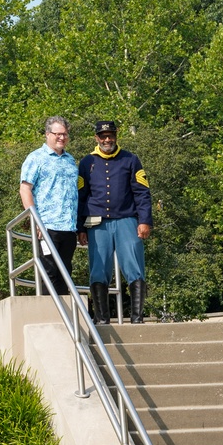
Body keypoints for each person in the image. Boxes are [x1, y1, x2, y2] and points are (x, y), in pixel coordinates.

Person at [76, 121, 152, 324]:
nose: (107, 139)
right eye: (103, 136)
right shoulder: (86, 162)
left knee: (134, 266)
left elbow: (142, 193)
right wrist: (80, 227)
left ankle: (137, 317)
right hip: (97, 223)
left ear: (116, 136)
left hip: (126, 219)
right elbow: (80, 197)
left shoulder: (131, 159)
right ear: (96, 138)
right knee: (99, 268)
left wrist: (144, 220)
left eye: (110, 135)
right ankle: (102, 319)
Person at [20, 116, 80, 295]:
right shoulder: (36, 158)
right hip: (47, 226)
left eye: (65, 134)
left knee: (65, 273)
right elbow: (25, 190)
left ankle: (64, 321)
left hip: (69, 227)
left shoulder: (70, 160)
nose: (62, 138)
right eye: (58, 134)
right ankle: (50, 317)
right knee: (49, 273)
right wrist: (36, 221)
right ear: (47, 134)